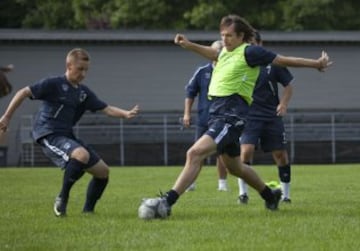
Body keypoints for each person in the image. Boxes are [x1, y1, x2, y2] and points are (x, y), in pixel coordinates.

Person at [147, 14, 331, 217]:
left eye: (229, 36)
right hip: (218, 113)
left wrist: (316, 64)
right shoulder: (224, 52)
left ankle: (166, 203)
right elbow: (212, 52)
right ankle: (270, 195)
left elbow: (283, 60)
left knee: (194, 153)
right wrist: (189, 44)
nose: (224, 39)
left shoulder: (250, 52)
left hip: (231, 114)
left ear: (241, 36)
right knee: (235, 167)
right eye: (222, 35)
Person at [0, 48, 139, 217]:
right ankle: (62, 198)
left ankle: (88, 212)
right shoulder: (53, 84)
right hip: (48, 133)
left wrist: (126, 113)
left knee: (103, 172)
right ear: (69, 65)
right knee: (80, 155)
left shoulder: (83, 92)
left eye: (86, 70)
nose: (83, 73)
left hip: (66, 135)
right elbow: (23, 92)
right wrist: (7, 117)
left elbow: (107, 109)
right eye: (80, 69)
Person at [238, 31, 293, 204]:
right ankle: (243, 193)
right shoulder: (241, 62)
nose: (252, 47)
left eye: (254, 43)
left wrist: (283, 104)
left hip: (271, 115)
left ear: (261, 44)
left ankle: (286, 195)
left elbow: (289, 86)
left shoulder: (273, 62)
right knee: (245, 152)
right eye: (249, 43)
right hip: (249, 115)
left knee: (281, 155)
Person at [183, 40, 228, 192]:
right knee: (198, 151)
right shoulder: (202, 71)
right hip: (204, 119)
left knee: (222, 153)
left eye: (221, 49)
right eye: (216, 50)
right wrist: (187, 113)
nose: (218, 52)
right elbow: (190, 93)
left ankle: (222, 183)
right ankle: (191, 182)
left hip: (223, 118)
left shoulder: (230, 71)